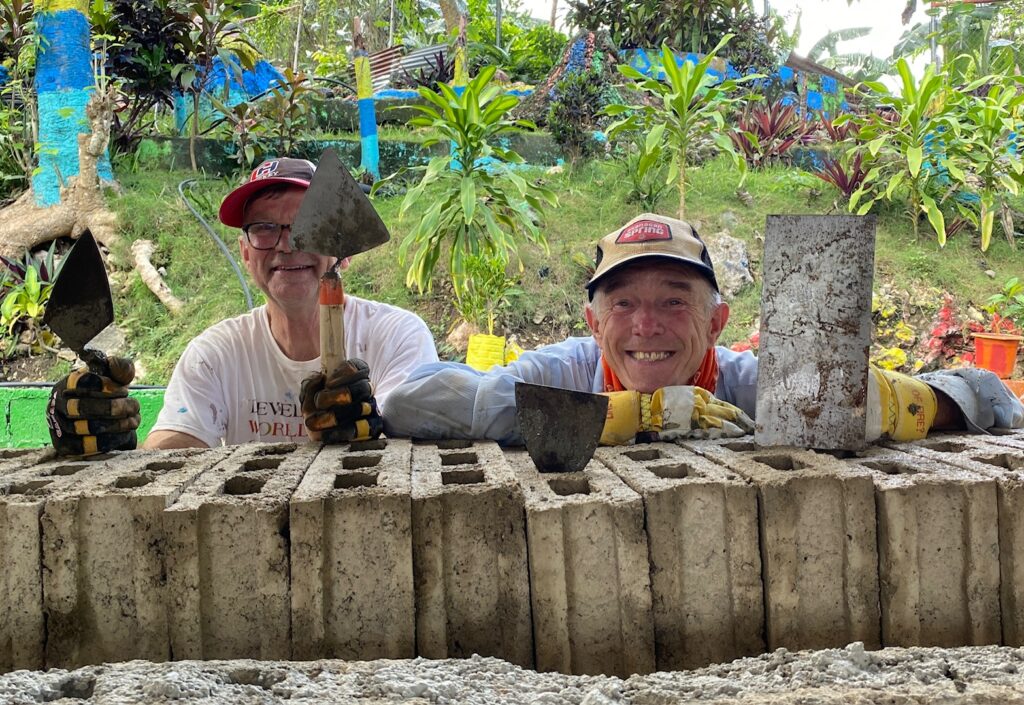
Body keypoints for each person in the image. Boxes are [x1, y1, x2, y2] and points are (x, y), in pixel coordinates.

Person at [384, 213, 1024, 445]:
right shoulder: (562, 372)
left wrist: (887, 401)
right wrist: (618, 415)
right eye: (623, 304)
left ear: (717, 322)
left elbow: (993, 395)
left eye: (674, 301)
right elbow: (409, 400)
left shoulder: (752, 387)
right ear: (594, 324)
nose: (647, 325)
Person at [47, 157, 438, 455]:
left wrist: (372, 432)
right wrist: (108, 445)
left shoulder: (396, 337)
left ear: (343, 251)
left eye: (307, 226)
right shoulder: (216, 354)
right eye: (264, 228)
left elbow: (414, 448)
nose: (286, 245)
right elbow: (173, 447)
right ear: (246, 254)